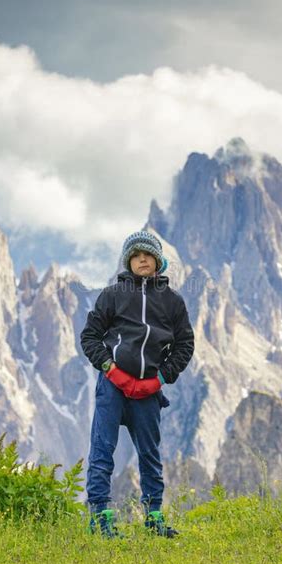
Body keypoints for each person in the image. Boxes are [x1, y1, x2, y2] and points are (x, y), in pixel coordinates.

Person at [80, 230, 195, 537]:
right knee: (102, 449)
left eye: (147, 255)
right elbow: (89, 337)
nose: (142, 259)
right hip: (113, 386)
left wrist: (161, 378)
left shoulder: (172, 302)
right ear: (128, 261)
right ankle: (100, 517)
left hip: (147, 391)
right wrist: (109, 368)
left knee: (149, 453)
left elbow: (185, 344)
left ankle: (154, 518)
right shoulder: (112, 295)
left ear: (158, 260)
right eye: (135, 255)